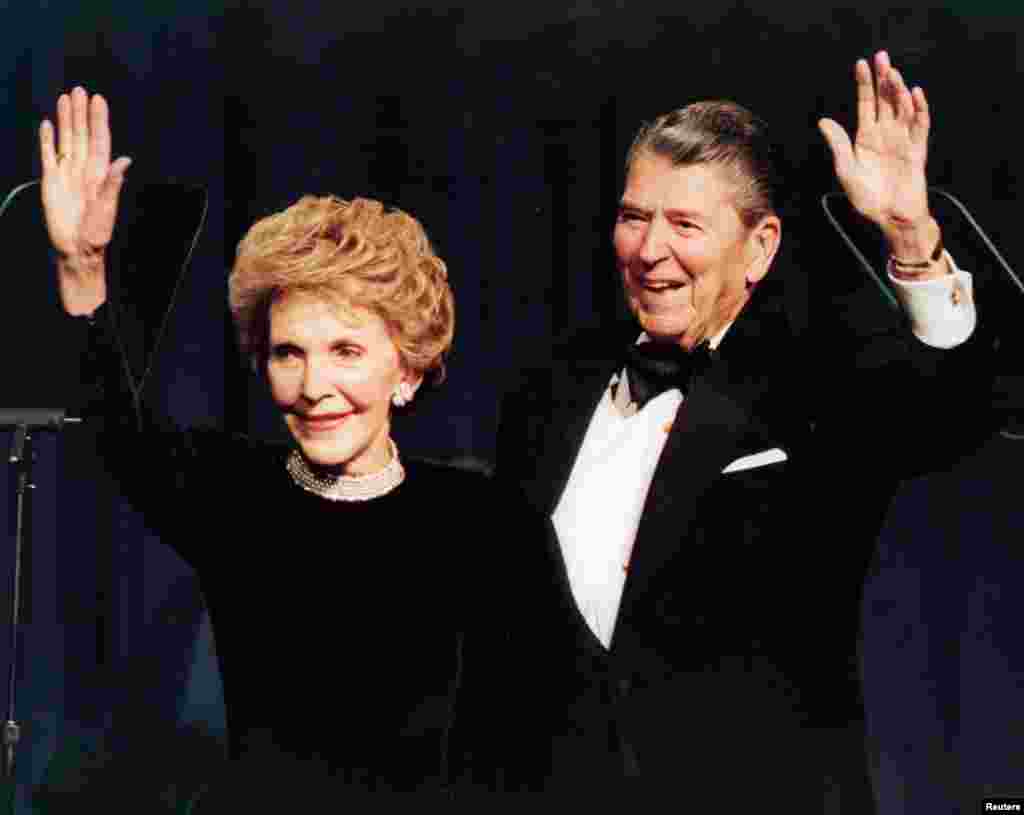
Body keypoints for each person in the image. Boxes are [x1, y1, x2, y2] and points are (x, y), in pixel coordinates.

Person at [490, 51, 984, 808]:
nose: (650, 250)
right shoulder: (548, 388)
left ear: (759, 247)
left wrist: (911, 237)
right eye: (633, 217)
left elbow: (954, 410)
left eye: (685, 223)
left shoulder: (813, 386)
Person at [39, 87, 516, 801]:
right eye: (288, 352)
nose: (314, 383)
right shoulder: (235, 493)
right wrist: (82, 267)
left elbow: (556, 749)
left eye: (346, 350)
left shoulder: (482, 520)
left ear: (409, 367)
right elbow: (117, 427)